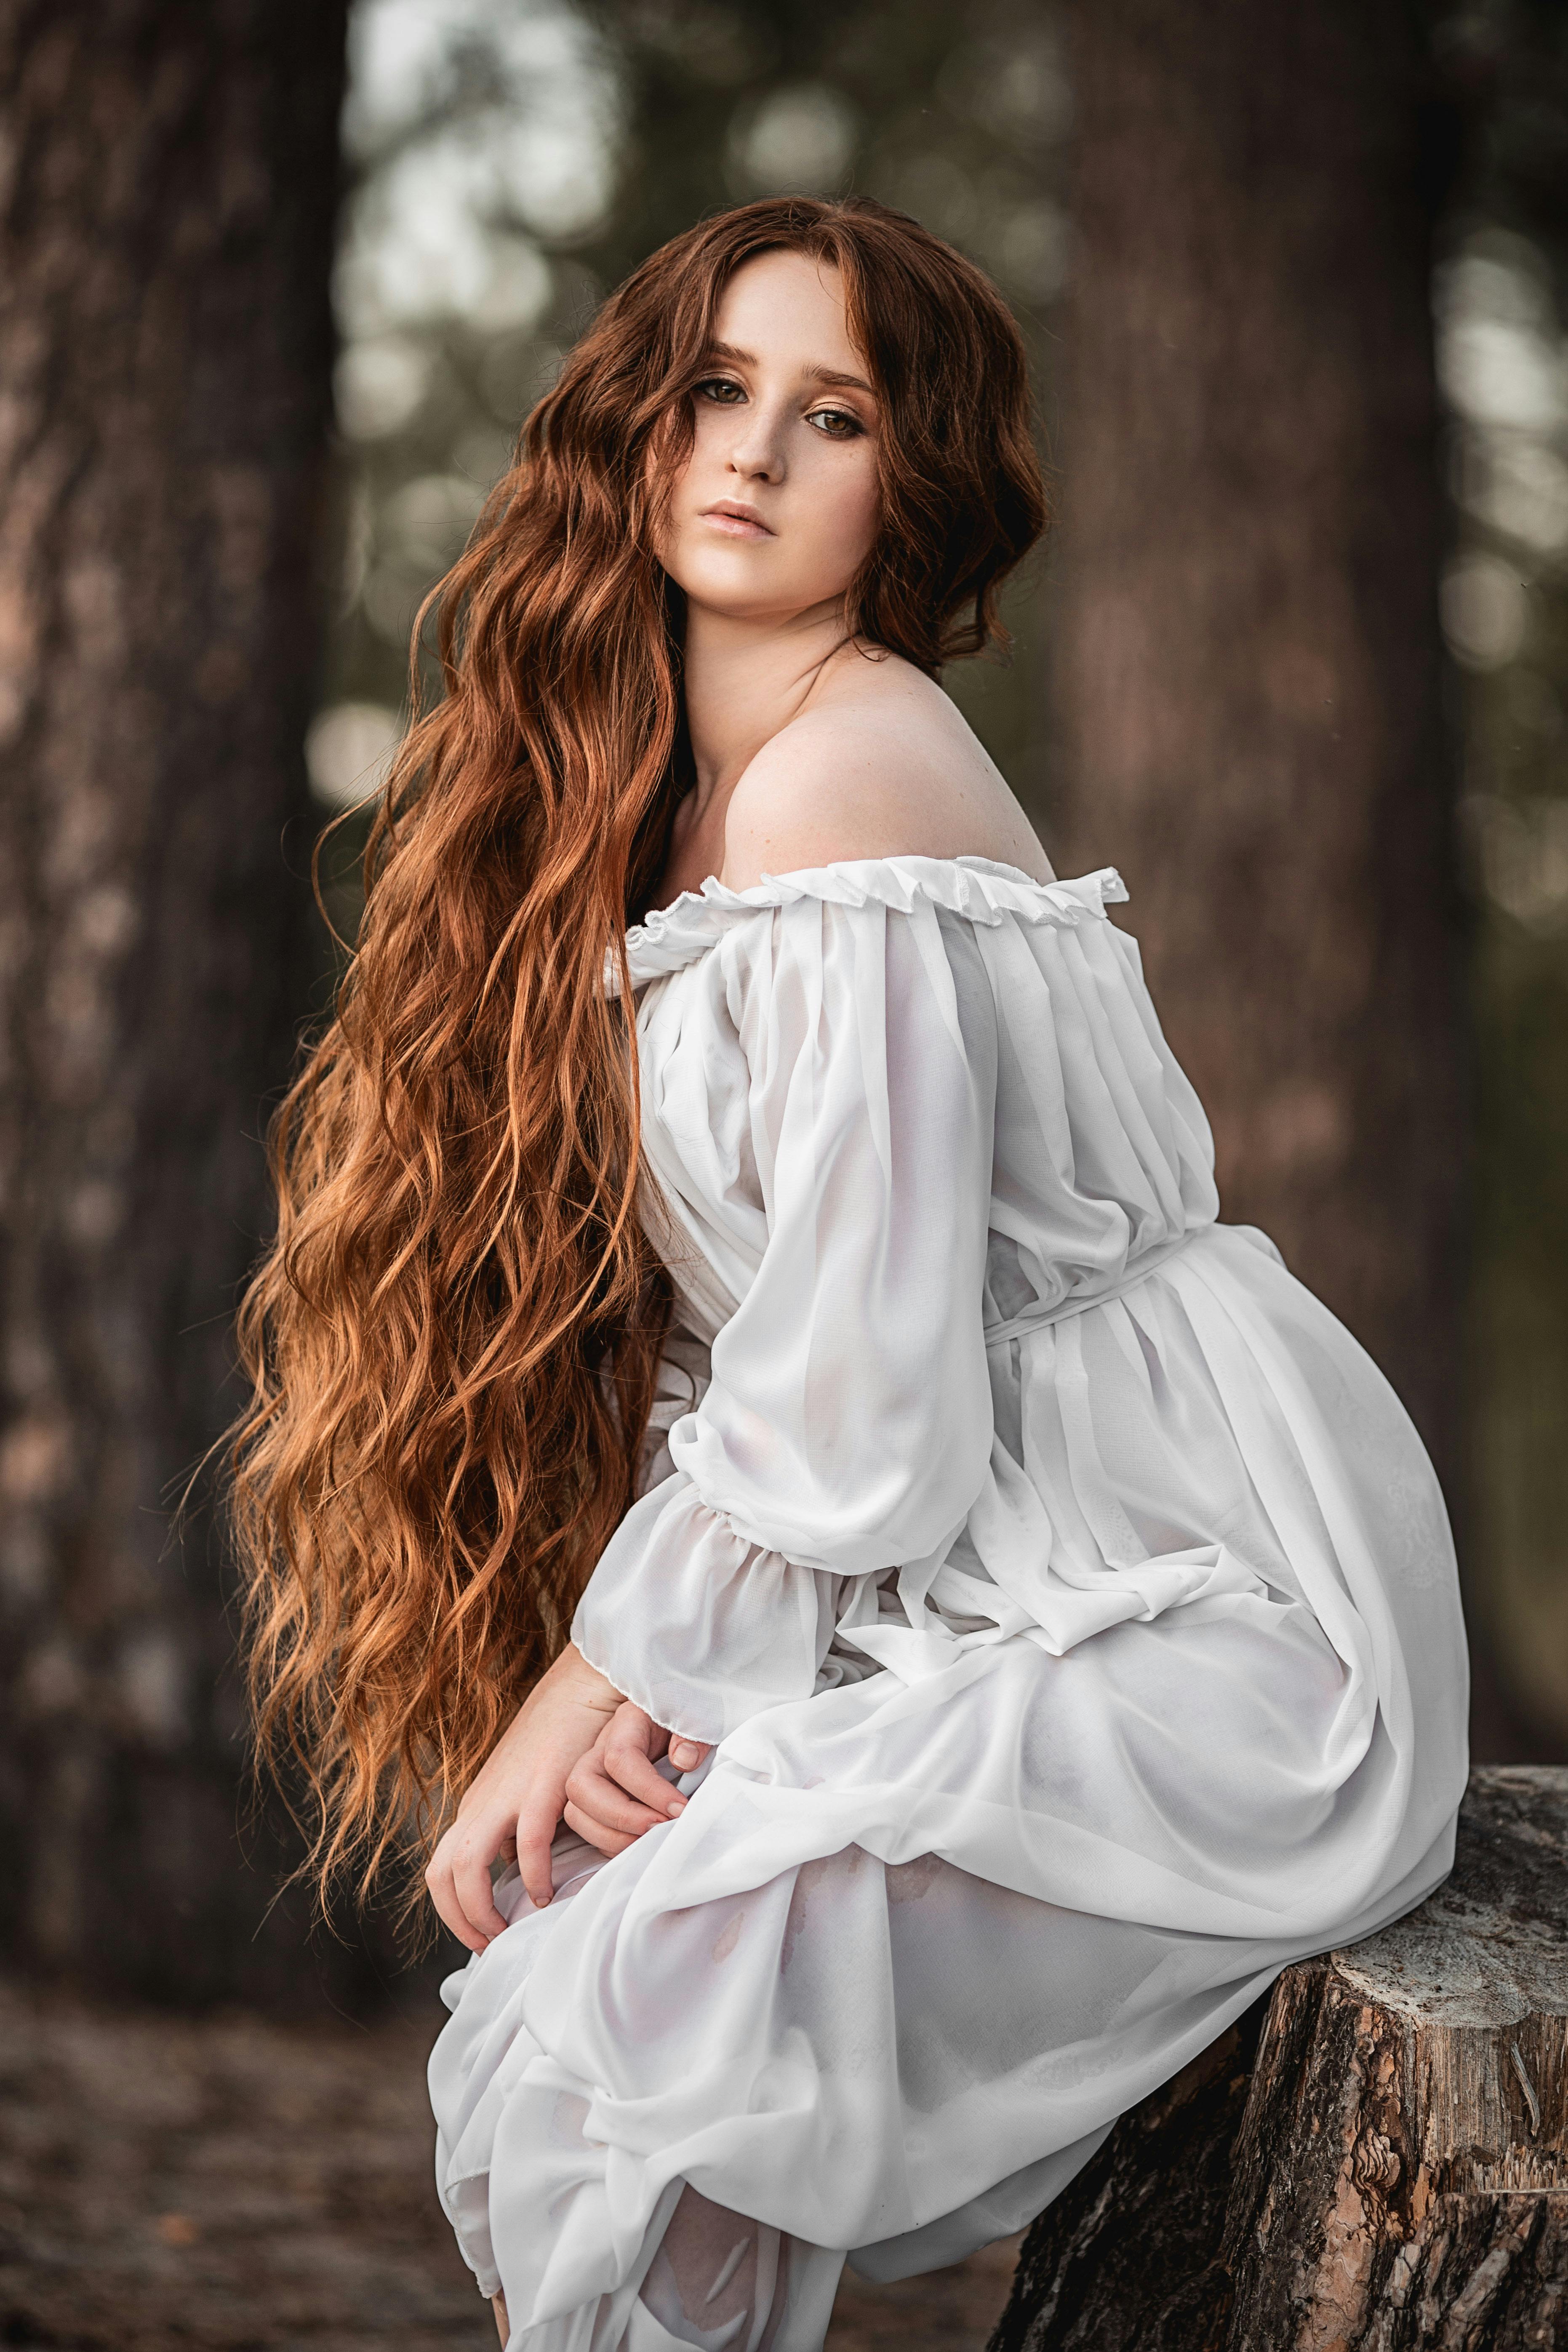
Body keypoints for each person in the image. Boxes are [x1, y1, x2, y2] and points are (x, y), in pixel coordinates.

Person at [232, 196, 1469, 2352]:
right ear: (635, 420)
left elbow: (865, 1406)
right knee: (617, 1971)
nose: (751, 454)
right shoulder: (665, 800)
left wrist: (599, 1673)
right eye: (716, 390)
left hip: (1214, 1607)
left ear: (914, 482)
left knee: (673, 1979)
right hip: (972, 1564)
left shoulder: (846, 780)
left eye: (835, 416)